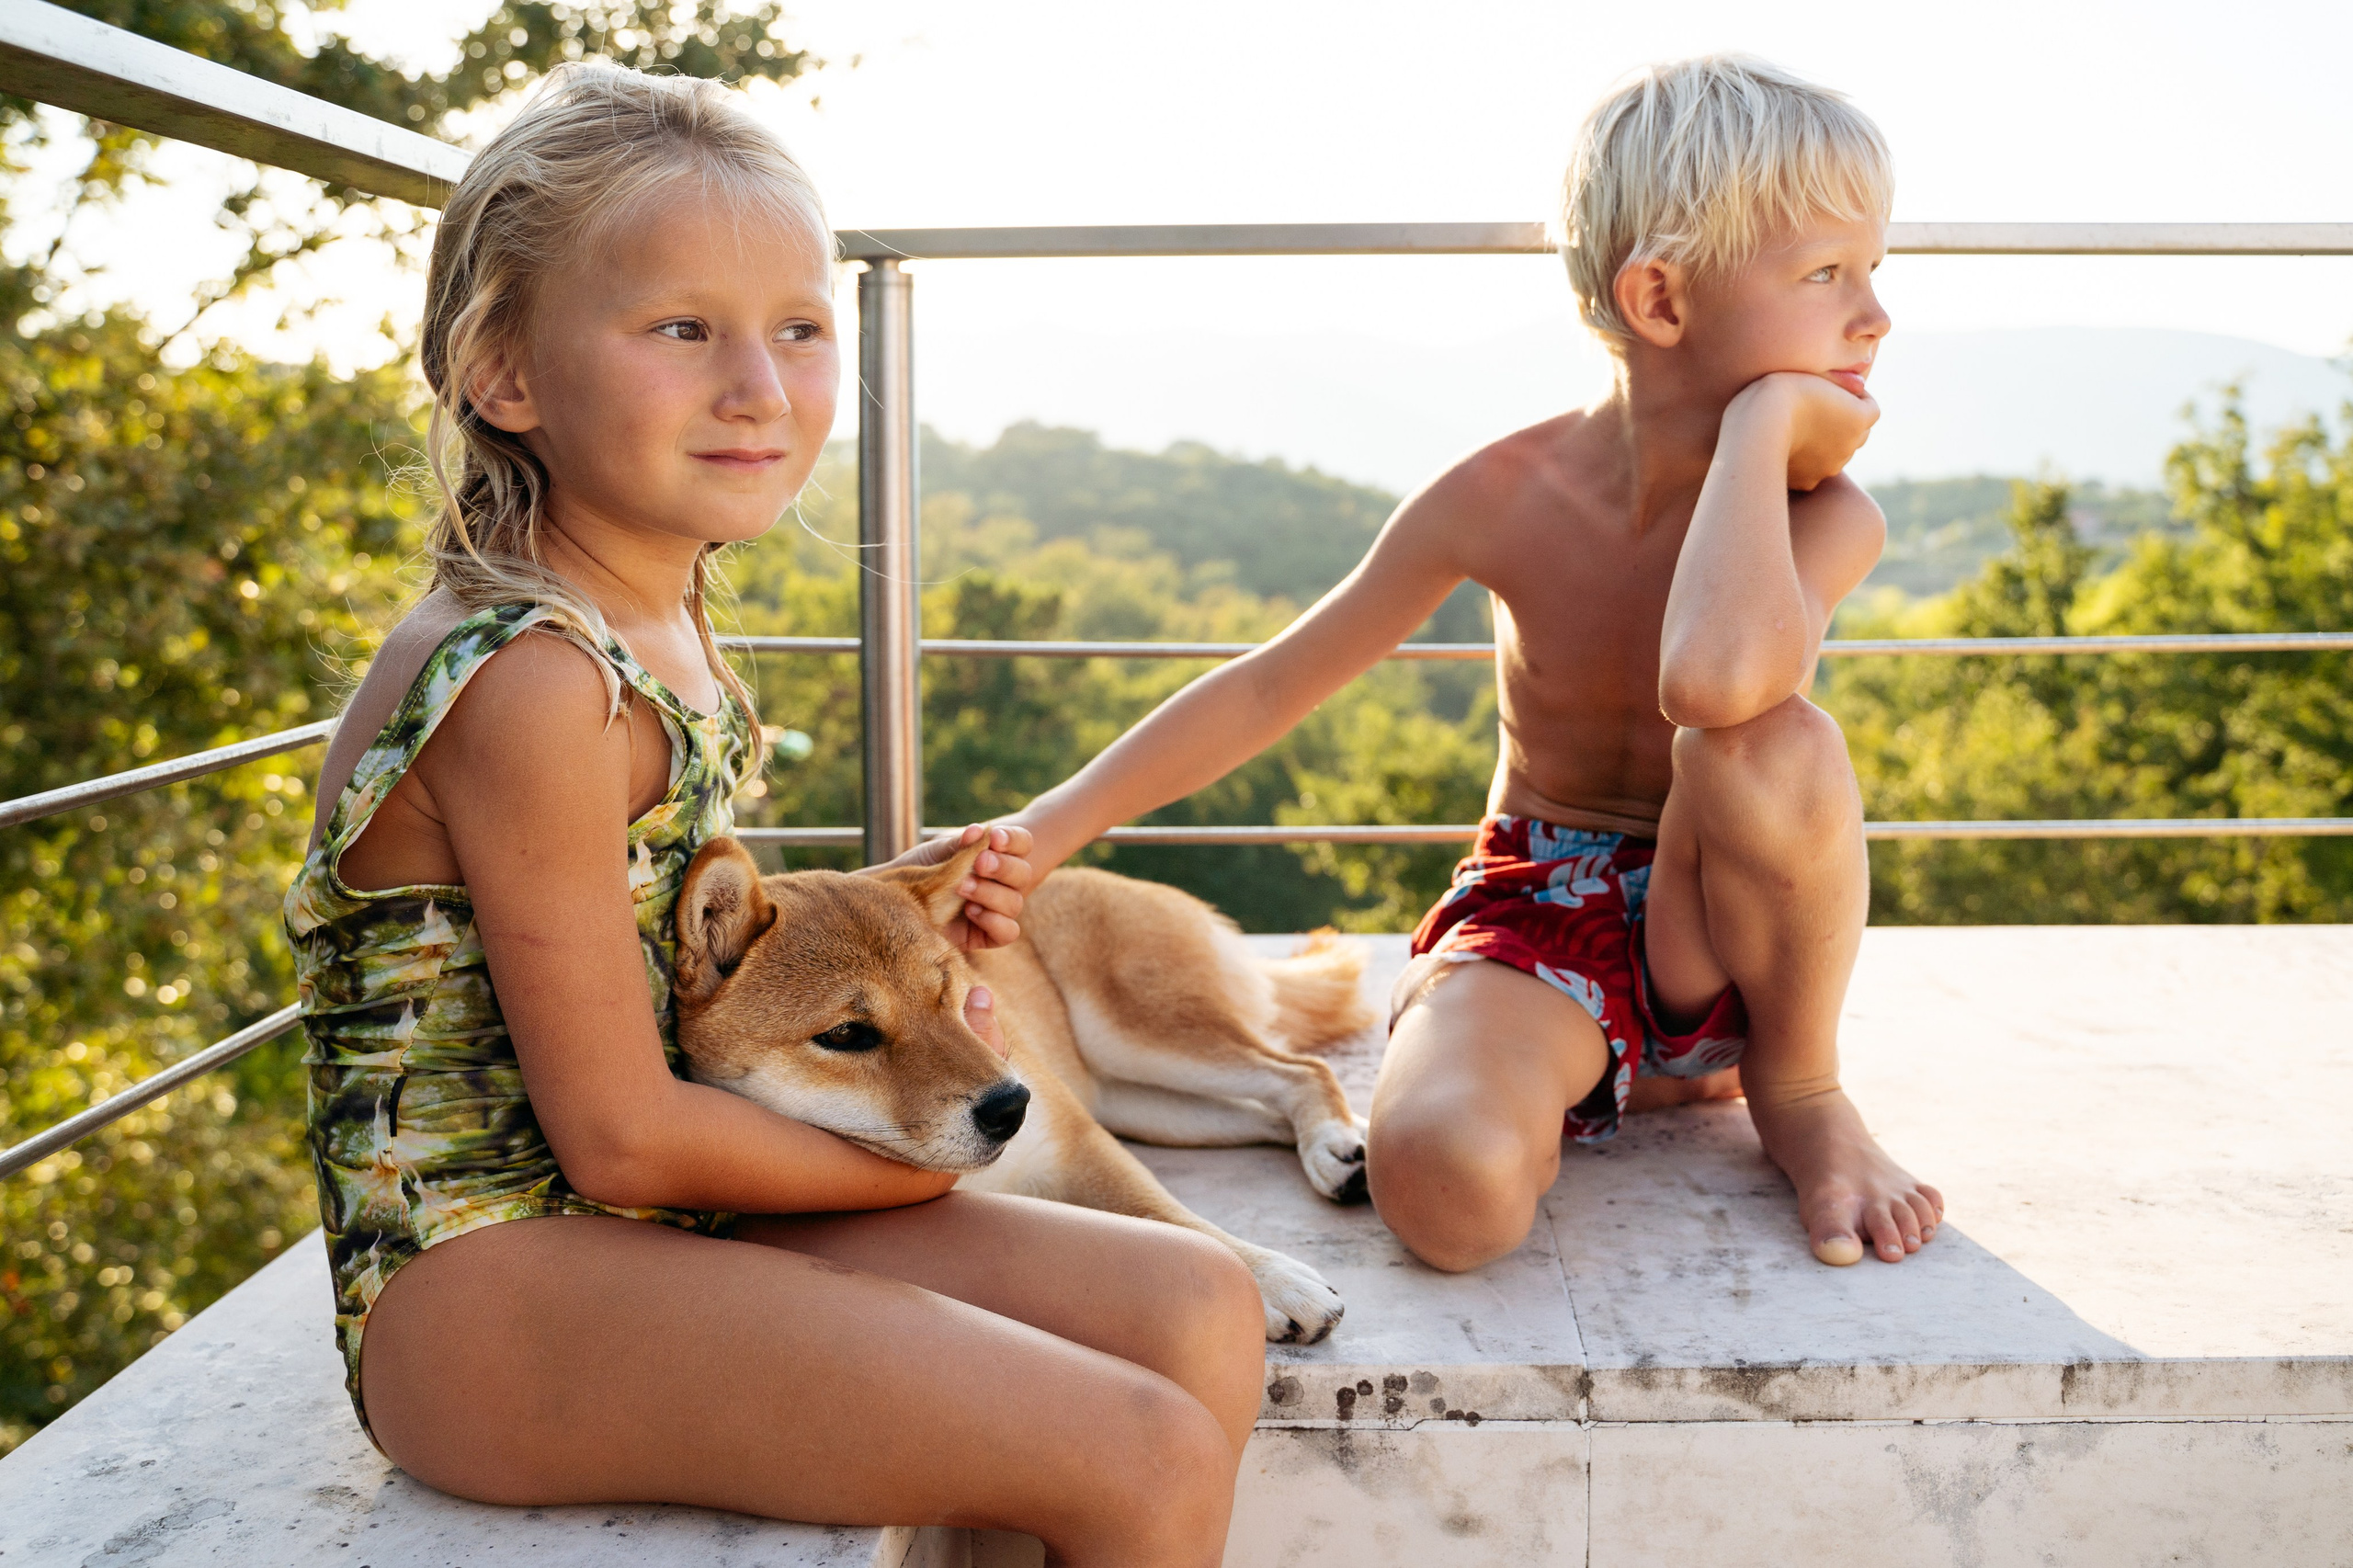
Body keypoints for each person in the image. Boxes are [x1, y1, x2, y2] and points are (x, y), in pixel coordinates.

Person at [287, 64, 1257, 1566]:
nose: (760, 384)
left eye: (800, 328)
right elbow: (616, 1136)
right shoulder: (535, 679)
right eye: (683, 328)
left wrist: (909, 903)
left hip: (643, 1231)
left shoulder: (657, 615)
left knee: (1201, 1306)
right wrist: (937, 1143)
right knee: (1139, 1453)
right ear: (506, 374)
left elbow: (668, 934)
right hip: (490, 1283)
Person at [1006, 55, 1944, 1275]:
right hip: (1535, 908)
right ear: (1660, 299)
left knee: (1774, 737)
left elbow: (1713, 688)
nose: (1875, 315)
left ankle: (1799, 1087)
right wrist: (1044, 827)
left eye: (1876, 271)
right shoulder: (1501, 493)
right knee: (1448, 1197)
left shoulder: (1826, 514)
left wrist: (1763, 431)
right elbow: (1273, 682)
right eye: (1828, 275)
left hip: (1709, 918)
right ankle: (1578, 1064)